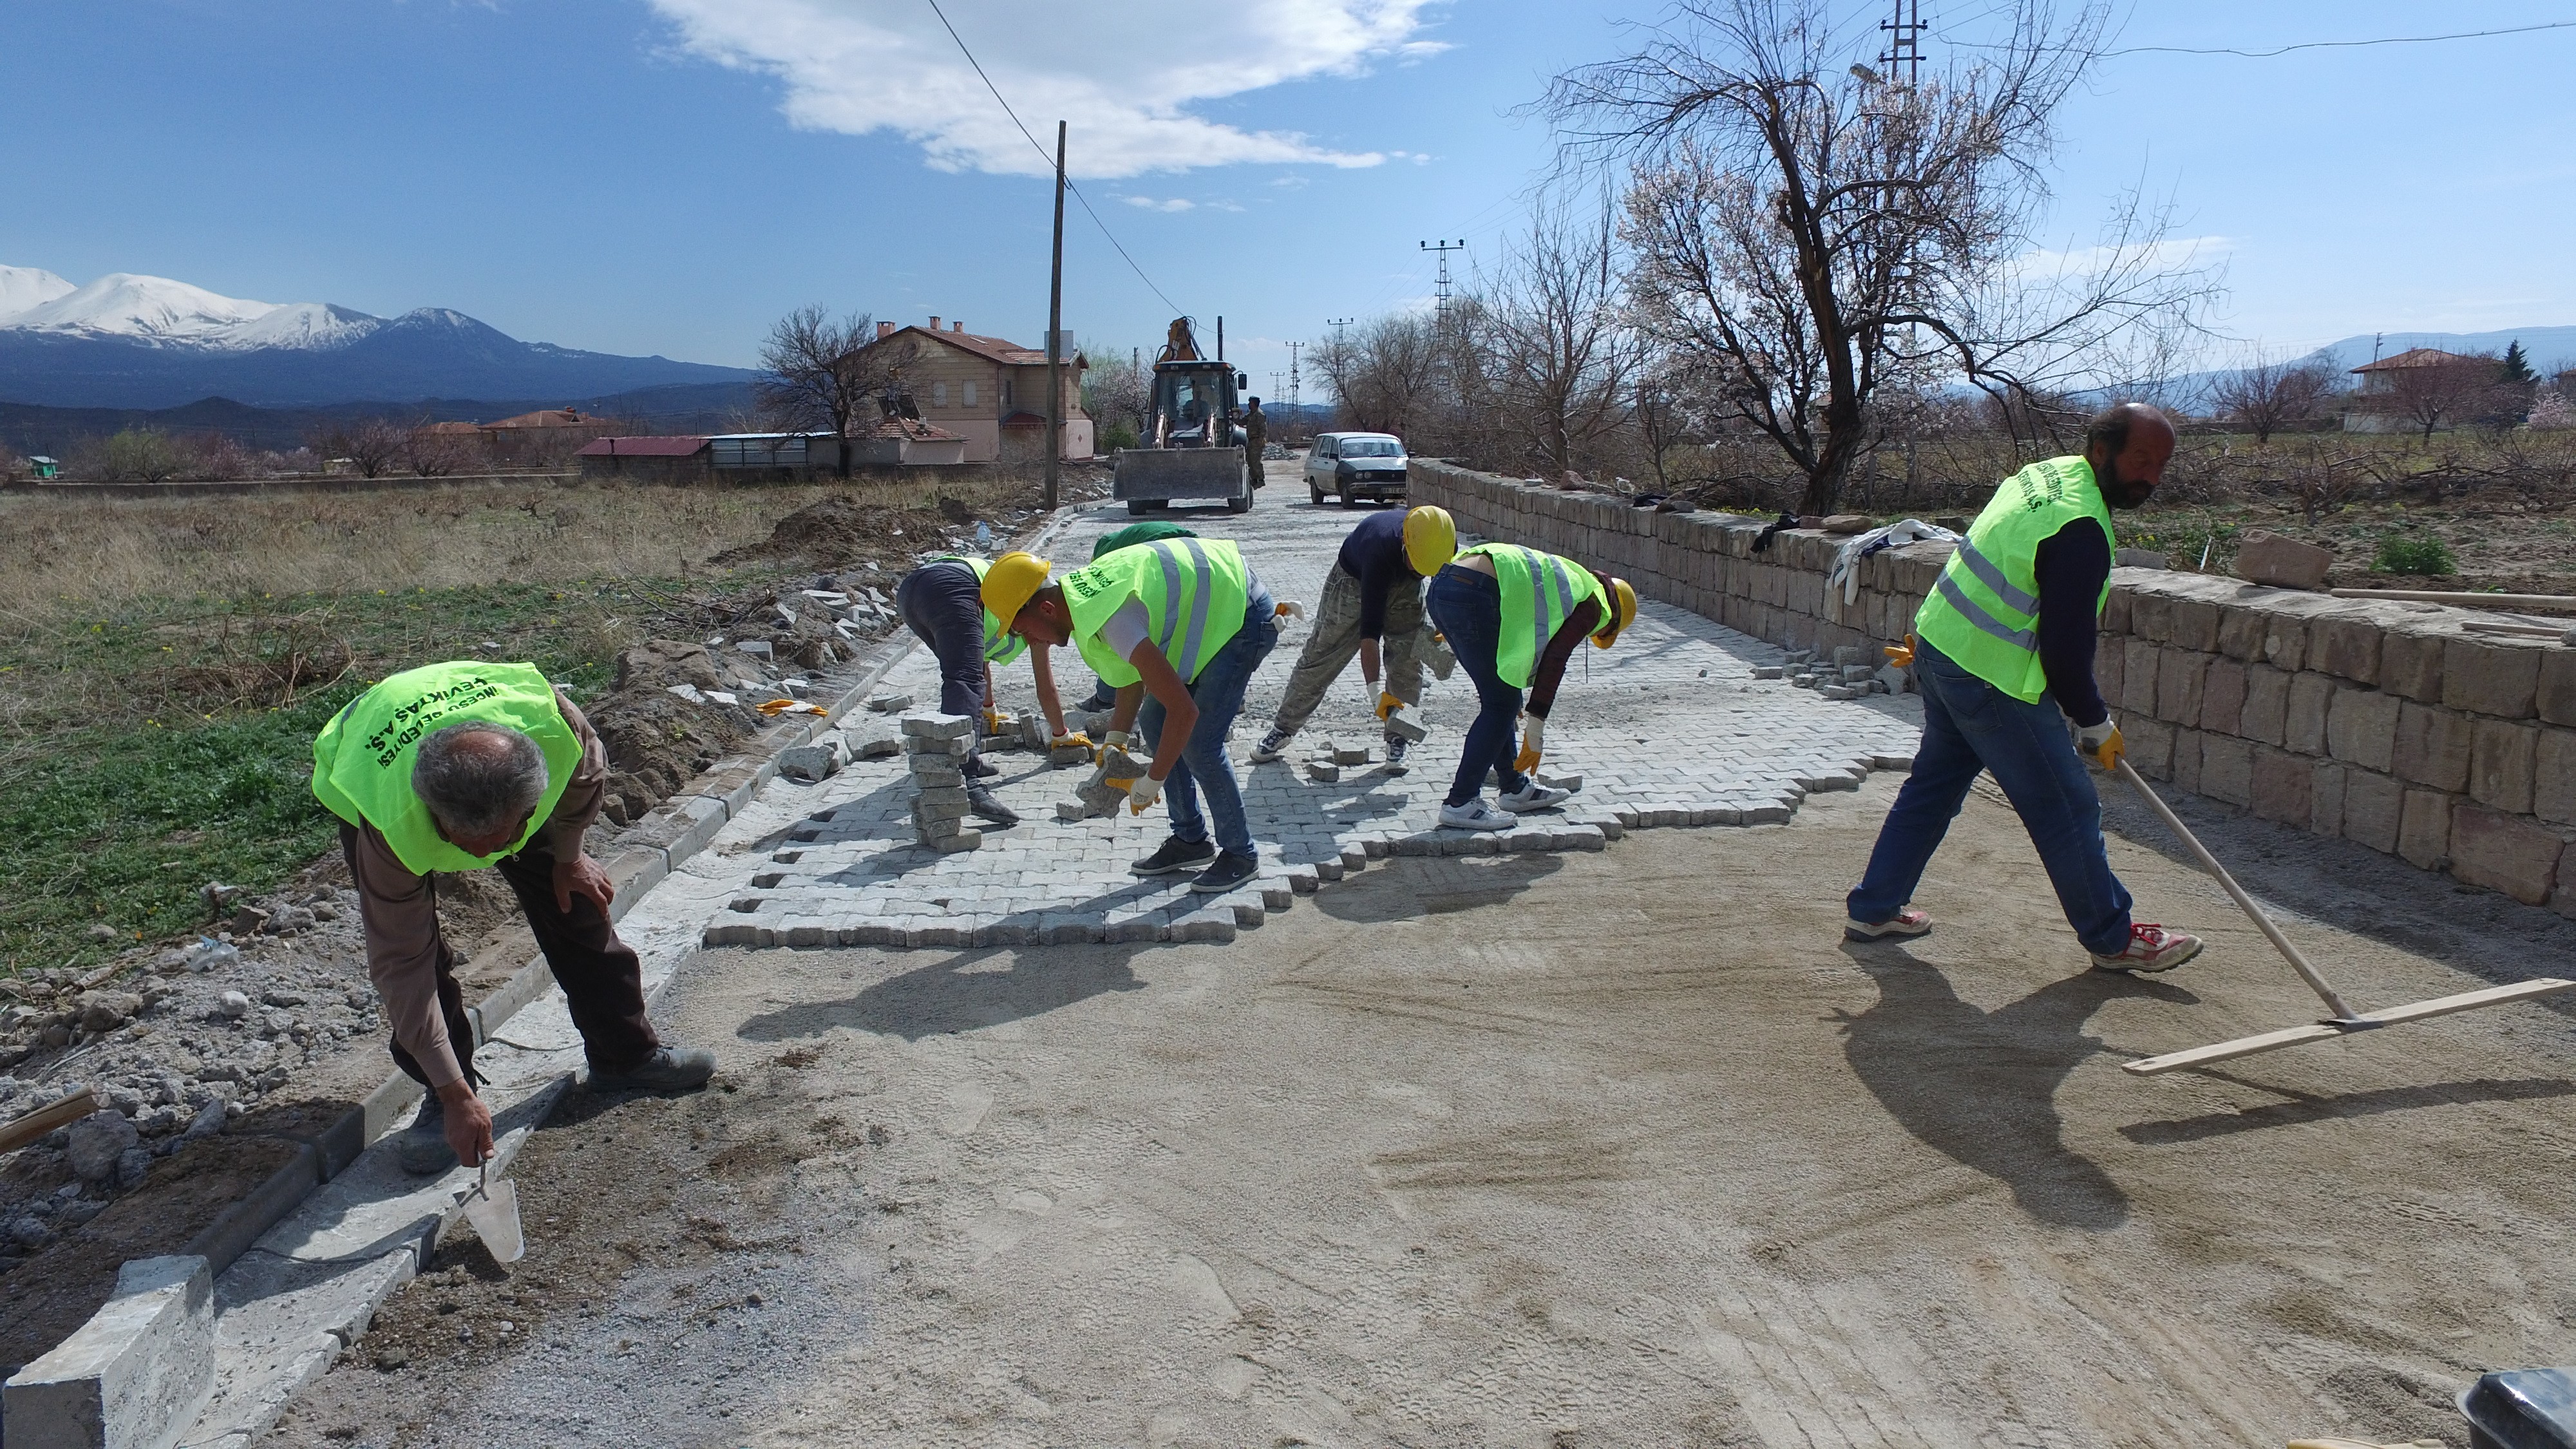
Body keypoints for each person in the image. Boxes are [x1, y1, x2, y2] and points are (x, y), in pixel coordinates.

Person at [310, 661, 715, 1175]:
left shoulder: (558, 737)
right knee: (424, 962)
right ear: (436, 818)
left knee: (575, 903)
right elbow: (402, 968)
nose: (488, 857)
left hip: (503, 754)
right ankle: (445, 1099)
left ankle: (625, 1056)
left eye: (503, 841)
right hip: (372, 761)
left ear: (532, 802)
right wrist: (453, 1092)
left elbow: (587, 783)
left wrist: (569, 857)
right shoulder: (391, 826)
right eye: (467, 846)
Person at [1844, 401, 2203, 973]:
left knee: (1934, 786)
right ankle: (2113, 939)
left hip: (1940, 645)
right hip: (1990, 680)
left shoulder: (2049, 474)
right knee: (2066, 807)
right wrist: (2094, 723)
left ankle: (1875, 907)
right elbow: (2065, 650)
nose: (2152, 477)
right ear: (2102, 451)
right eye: (2141, 461)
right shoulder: (2082, 528)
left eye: (2161, 464)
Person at [981, 540, 1280, 895]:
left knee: (1200, 742)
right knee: (1154, 722)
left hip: (1242, 614)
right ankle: (1190, 839)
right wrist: (1116, 741)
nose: (1031, 642)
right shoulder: (1082, 601)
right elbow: (1134, 672)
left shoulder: (1111, 618)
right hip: (1217, 601)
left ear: (1046, 609)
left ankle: (1240, 855)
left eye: (1023, 631)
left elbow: (1185, 712)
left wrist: (1152, 780)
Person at [1425, 542, 1636, 831]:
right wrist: (1535, 731)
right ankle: (1460, 802)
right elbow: (1555, 657)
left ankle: (1514, 788)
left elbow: (1524, 626)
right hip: (1474, 593)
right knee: (1501, 705)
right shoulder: (1593, 604)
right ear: (1613, 619)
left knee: (1500, 701)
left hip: (1446, 584)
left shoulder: (1576, 579)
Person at [894, 553, 1100, 826]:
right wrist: (1061, 734)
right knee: (963, 678)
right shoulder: (1030, 609)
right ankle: (967, 781)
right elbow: (1045, 686)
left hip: (913, 593)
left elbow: (981, 662)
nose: (1050, 643)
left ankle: (969, 758)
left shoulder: (1023, 603)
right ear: (1046, 609)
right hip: (950, 586)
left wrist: (988, 709)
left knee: (965, 672)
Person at [1249, 504, 1454, 770]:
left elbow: (1446, 584)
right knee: (1322, 655)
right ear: (1405, 545)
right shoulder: (1378, 554)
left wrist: (1443, 626)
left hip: (1406, 591)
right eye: (1418, 566)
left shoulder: (1440, 542)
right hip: (1351, 585)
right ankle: (1283, 728)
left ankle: (1399, 737)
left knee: (1408, 658)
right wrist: (1374, 694)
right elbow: (1369, 637)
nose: (1422, 574)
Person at [1071, 522, 1198, 714]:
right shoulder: (1114, 547)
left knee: (1118, 641)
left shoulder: (1107, 561)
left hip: (1173, 557)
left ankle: (1105, 698)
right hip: (1192, 552)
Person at [1242, 395, 1267, 488]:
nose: (1249, 404)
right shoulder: (1251, 415)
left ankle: (1261, 480)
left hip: (1257, 441)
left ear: (1255, 404)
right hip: (1251, 441)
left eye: (1251, 403)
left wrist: (1261, 440)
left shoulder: (1259, 415)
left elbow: (1263, 429)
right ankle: (1254, 479)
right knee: (1250, 461)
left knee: (1256, 461)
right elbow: (1243, 421)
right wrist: (1234, 419)